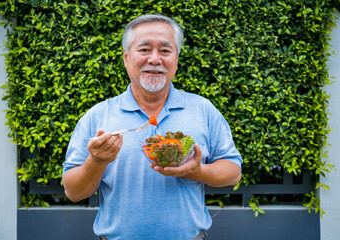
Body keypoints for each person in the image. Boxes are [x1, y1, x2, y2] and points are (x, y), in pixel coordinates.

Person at [62, 13, 242, 240]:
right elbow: (74, 192)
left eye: (165, 51)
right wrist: (97, 161)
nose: (155, 59)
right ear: (126, 58)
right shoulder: (98, 116)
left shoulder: (202, 110)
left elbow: (233, 172)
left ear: (176, 60)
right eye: (144, 49)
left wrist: (196, 171)